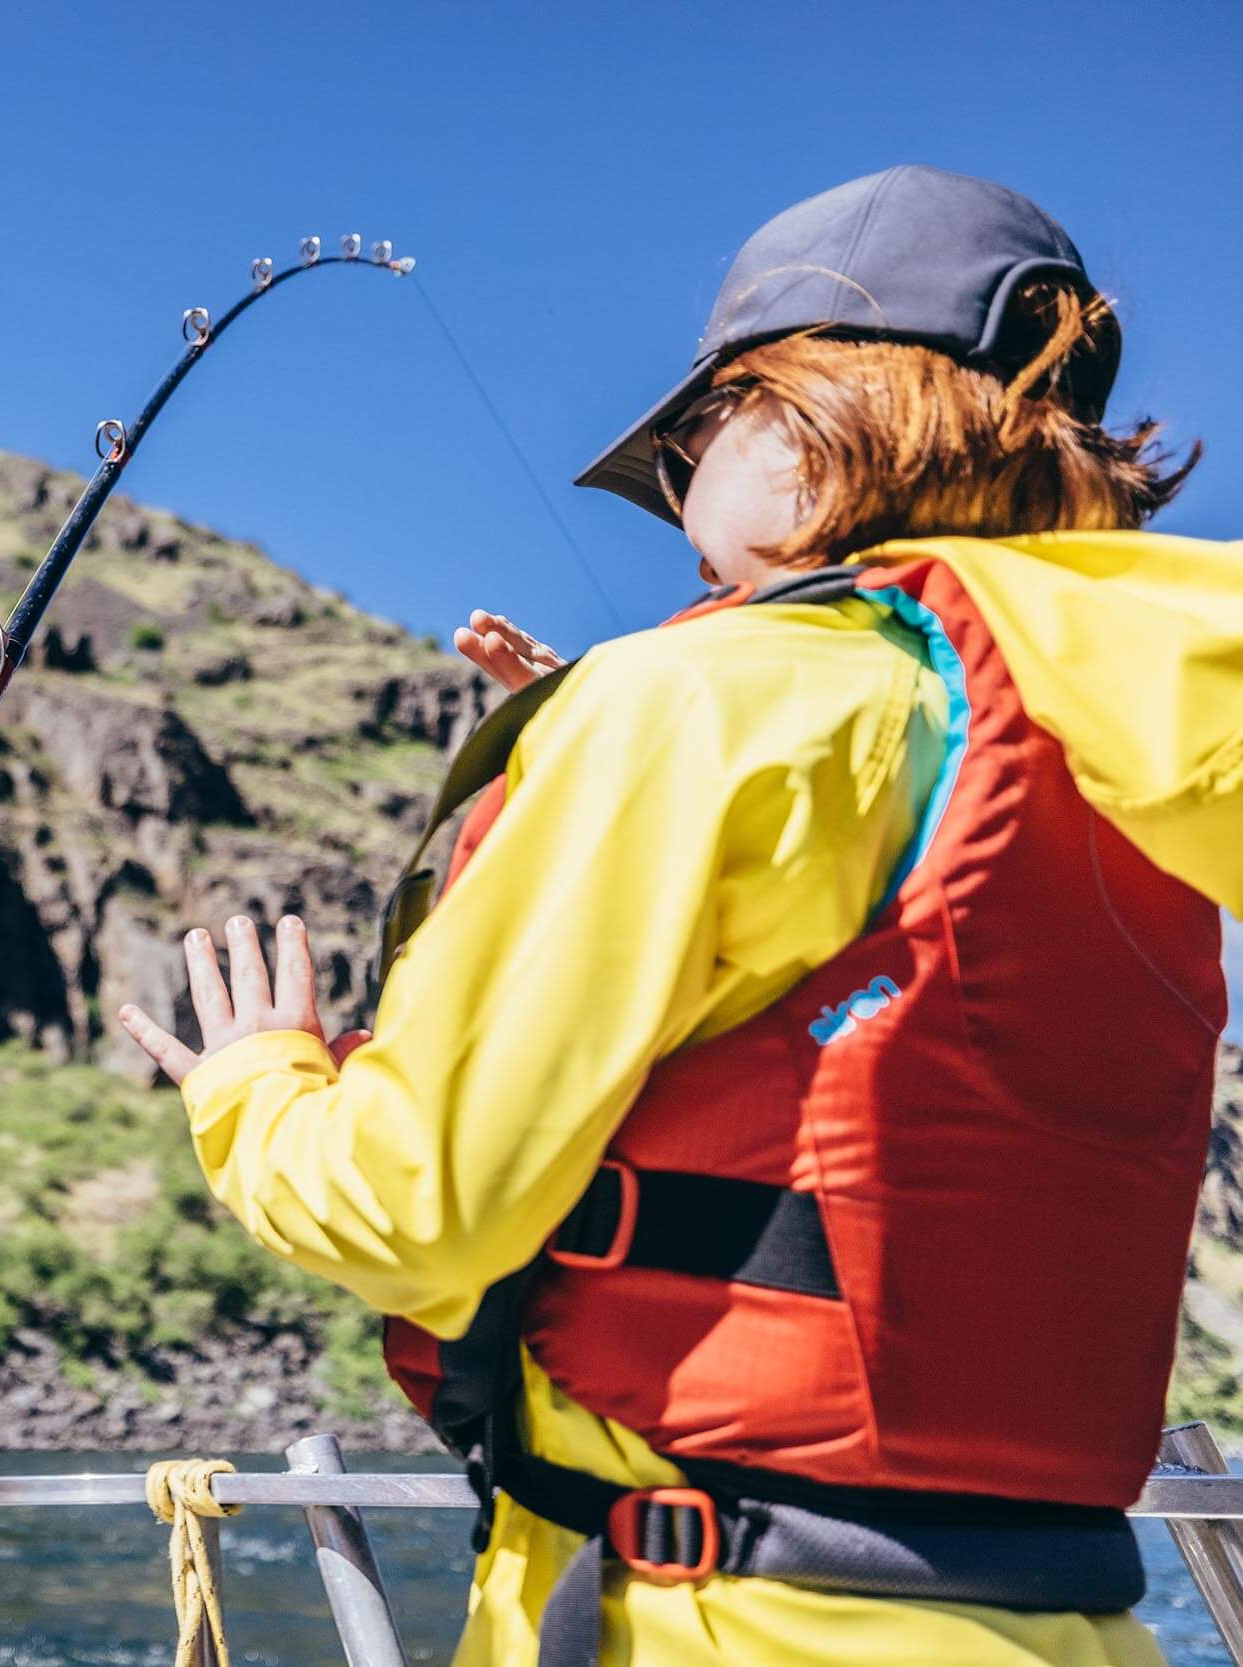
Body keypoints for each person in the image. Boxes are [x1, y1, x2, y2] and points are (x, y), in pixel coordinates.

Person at [121, 164, 1243, 1665]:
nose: (681, 497)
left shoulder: (693, 707)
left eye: (695, 431)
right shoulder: (1110, 753)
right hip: (1066, 1623)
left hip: (712, 1614)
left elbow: (414, 1208)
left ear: (804, 408)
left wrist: (253, 1083)